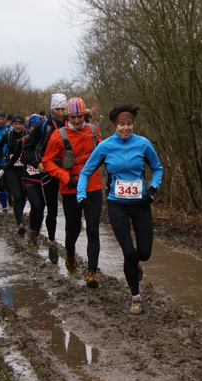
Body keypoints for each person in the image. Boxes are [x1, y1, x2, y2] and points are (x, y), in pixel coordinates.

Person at [77, 102, 164, 314]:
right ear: (115, 126)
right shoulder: (105, 146)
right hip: (117, 205)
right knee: (128, 252)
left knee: (144, 252)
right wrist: (81, 194)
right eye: (122, 125)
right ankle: (135, 296)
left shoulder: (143, 144)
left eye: (129, 124)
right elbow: (86, 172)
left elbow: (157, 168)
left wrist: (153, 188)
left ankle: (137, 265)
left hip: (141, 204)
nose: (126, 128)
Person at [41, 97, 102, 287]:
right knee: (73, 229)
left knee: (92, 229)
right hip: (70, 189)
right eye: (73, 117)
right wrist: (65, 177)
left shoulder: (93, 131)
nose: (76, 121)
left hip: (93, 187)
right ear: (67, 116)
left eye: (80, 117)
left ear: (86, 115)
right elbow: (47, 162)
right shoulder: (58, 136)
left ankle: (92, 272)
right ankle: (69, 254)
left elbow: (105, 151)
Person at [23, 94, 67, 263]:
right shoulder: (43, 126)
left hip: (64, 171)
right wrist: (37, 163)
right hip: (45, 172)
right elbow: (28, 147)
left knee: (62, 210)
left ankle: (60, 245)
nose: (60, 112)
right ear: (51, 109)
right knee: (45, 207)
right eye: (57, 109)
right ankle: (43, 238)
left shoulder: (71, 124)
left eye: (63, 109)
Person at [0, 114, 30, 235]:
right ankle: (20, 223)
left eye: (20, 124)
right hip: (11, 170)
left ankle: (19, 213)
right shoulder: (8, 135)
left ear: (23, 125)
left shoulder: (26, 136)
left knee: (24, 197)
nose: (18, 126)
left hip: (24, 169)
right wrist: (0, 159)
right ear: (12, 124)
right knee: (17, 196)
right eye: (16, 124)